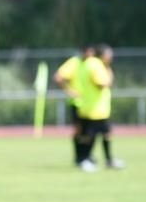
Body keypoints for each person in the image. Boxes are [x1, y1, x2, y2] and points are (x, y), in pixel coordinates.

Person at [75, 44, 124, 172]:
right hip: (95, 108)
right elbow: (101, 84)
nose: (111, 57)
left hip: (93, 107)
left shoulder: (89, 63)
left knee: (104, 134)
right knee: (90, 135)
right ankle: (85, 160)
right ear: (102, 55)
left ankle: (106, 160)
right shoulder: (95, 65)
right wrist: (108, 76)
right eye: (109, 55)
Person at [53, 44, 96, 170]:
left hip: (91, 104)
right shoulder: (74, 63)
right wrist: (69, 91)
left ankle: (86, 156)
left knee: (90, 132)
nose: (90, 55)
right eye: (88, 52)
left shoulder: (92, 64)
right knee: (80, 131)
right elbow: (58, 77)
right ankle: (80, 157)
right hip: (77, 103)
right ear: (83, 52)